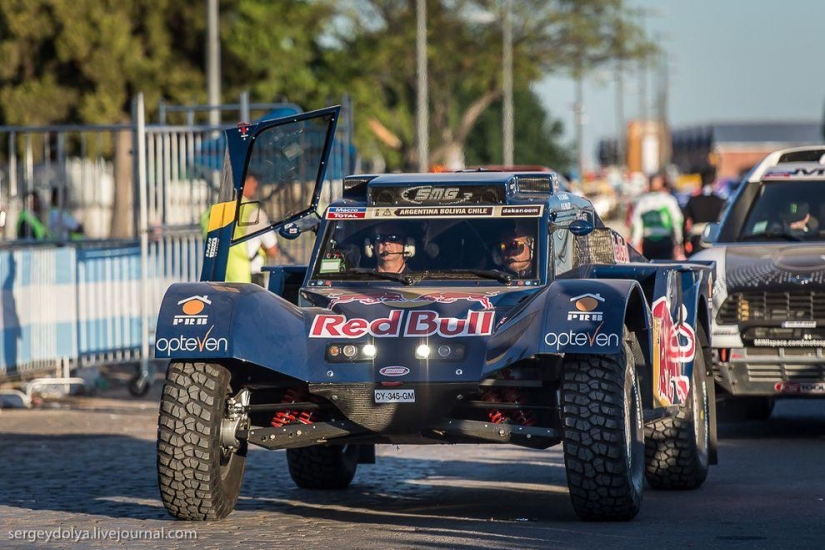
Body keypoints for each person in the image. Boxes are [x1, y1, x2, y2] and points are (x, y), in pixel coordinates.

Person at [202, 172, 278, 284]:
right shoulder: (252, 212)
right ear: (243, 183)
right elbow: (272, 250)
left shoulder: (213, 211)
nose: (256, 185)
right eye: (253, 181)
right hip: (247, 278)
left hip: (216, 277)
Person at [630, 172, 685, 260]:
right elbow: (677, 220)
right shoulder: (668, 200)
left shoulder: (642, 201)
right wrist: (678, 239)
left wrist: (635, 243)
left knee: (650, 266)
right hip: (665, 240)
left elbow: (636, 224)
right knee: (665, 266)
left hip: (649, 241)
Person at [683, 169, 726, 255]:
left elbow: (684, 221)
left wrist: (686, 240)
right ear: (714, 182)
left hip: (696, 239)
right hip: (714, 237)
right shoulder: (720, 201)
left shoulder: (693, 200)